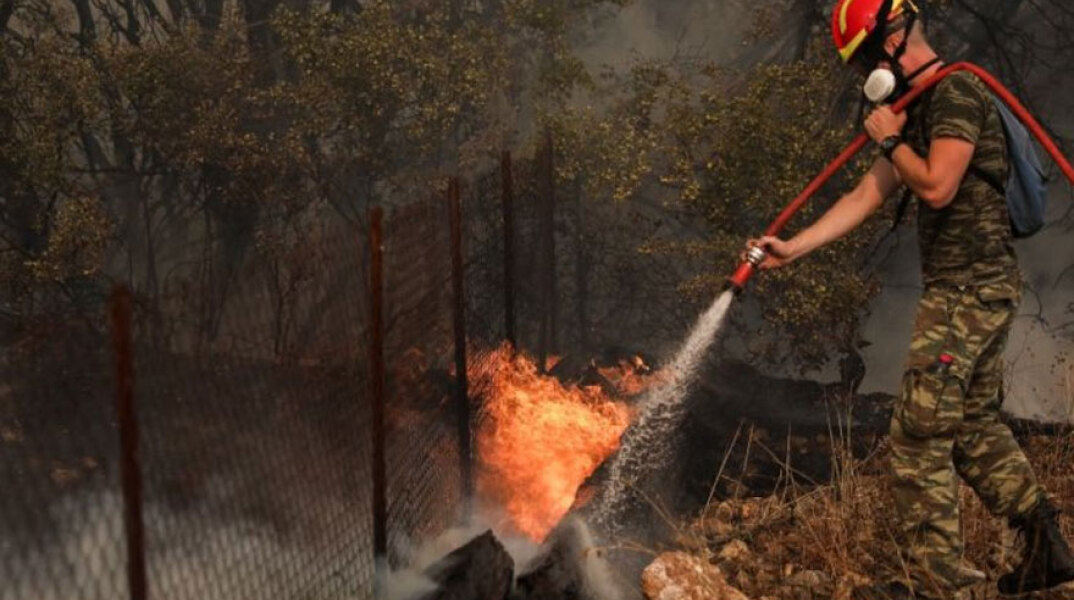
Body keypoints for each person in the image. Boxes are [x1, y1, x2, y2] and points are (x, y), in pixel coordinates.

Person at [748, 0, 1074, 597]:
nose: (865, 75)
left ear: (890, 45)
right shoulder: (919, 106)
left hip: (966, 292)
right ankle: (1045, 548)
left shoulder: (954, 97)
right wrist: (793, 248)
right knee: (973, 426)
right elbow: (866, 196)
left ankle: (938, 582)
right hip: (974, 291)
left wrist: (893, 138)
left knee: (919, 433)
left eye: (865, 60)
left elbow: (938, 184)